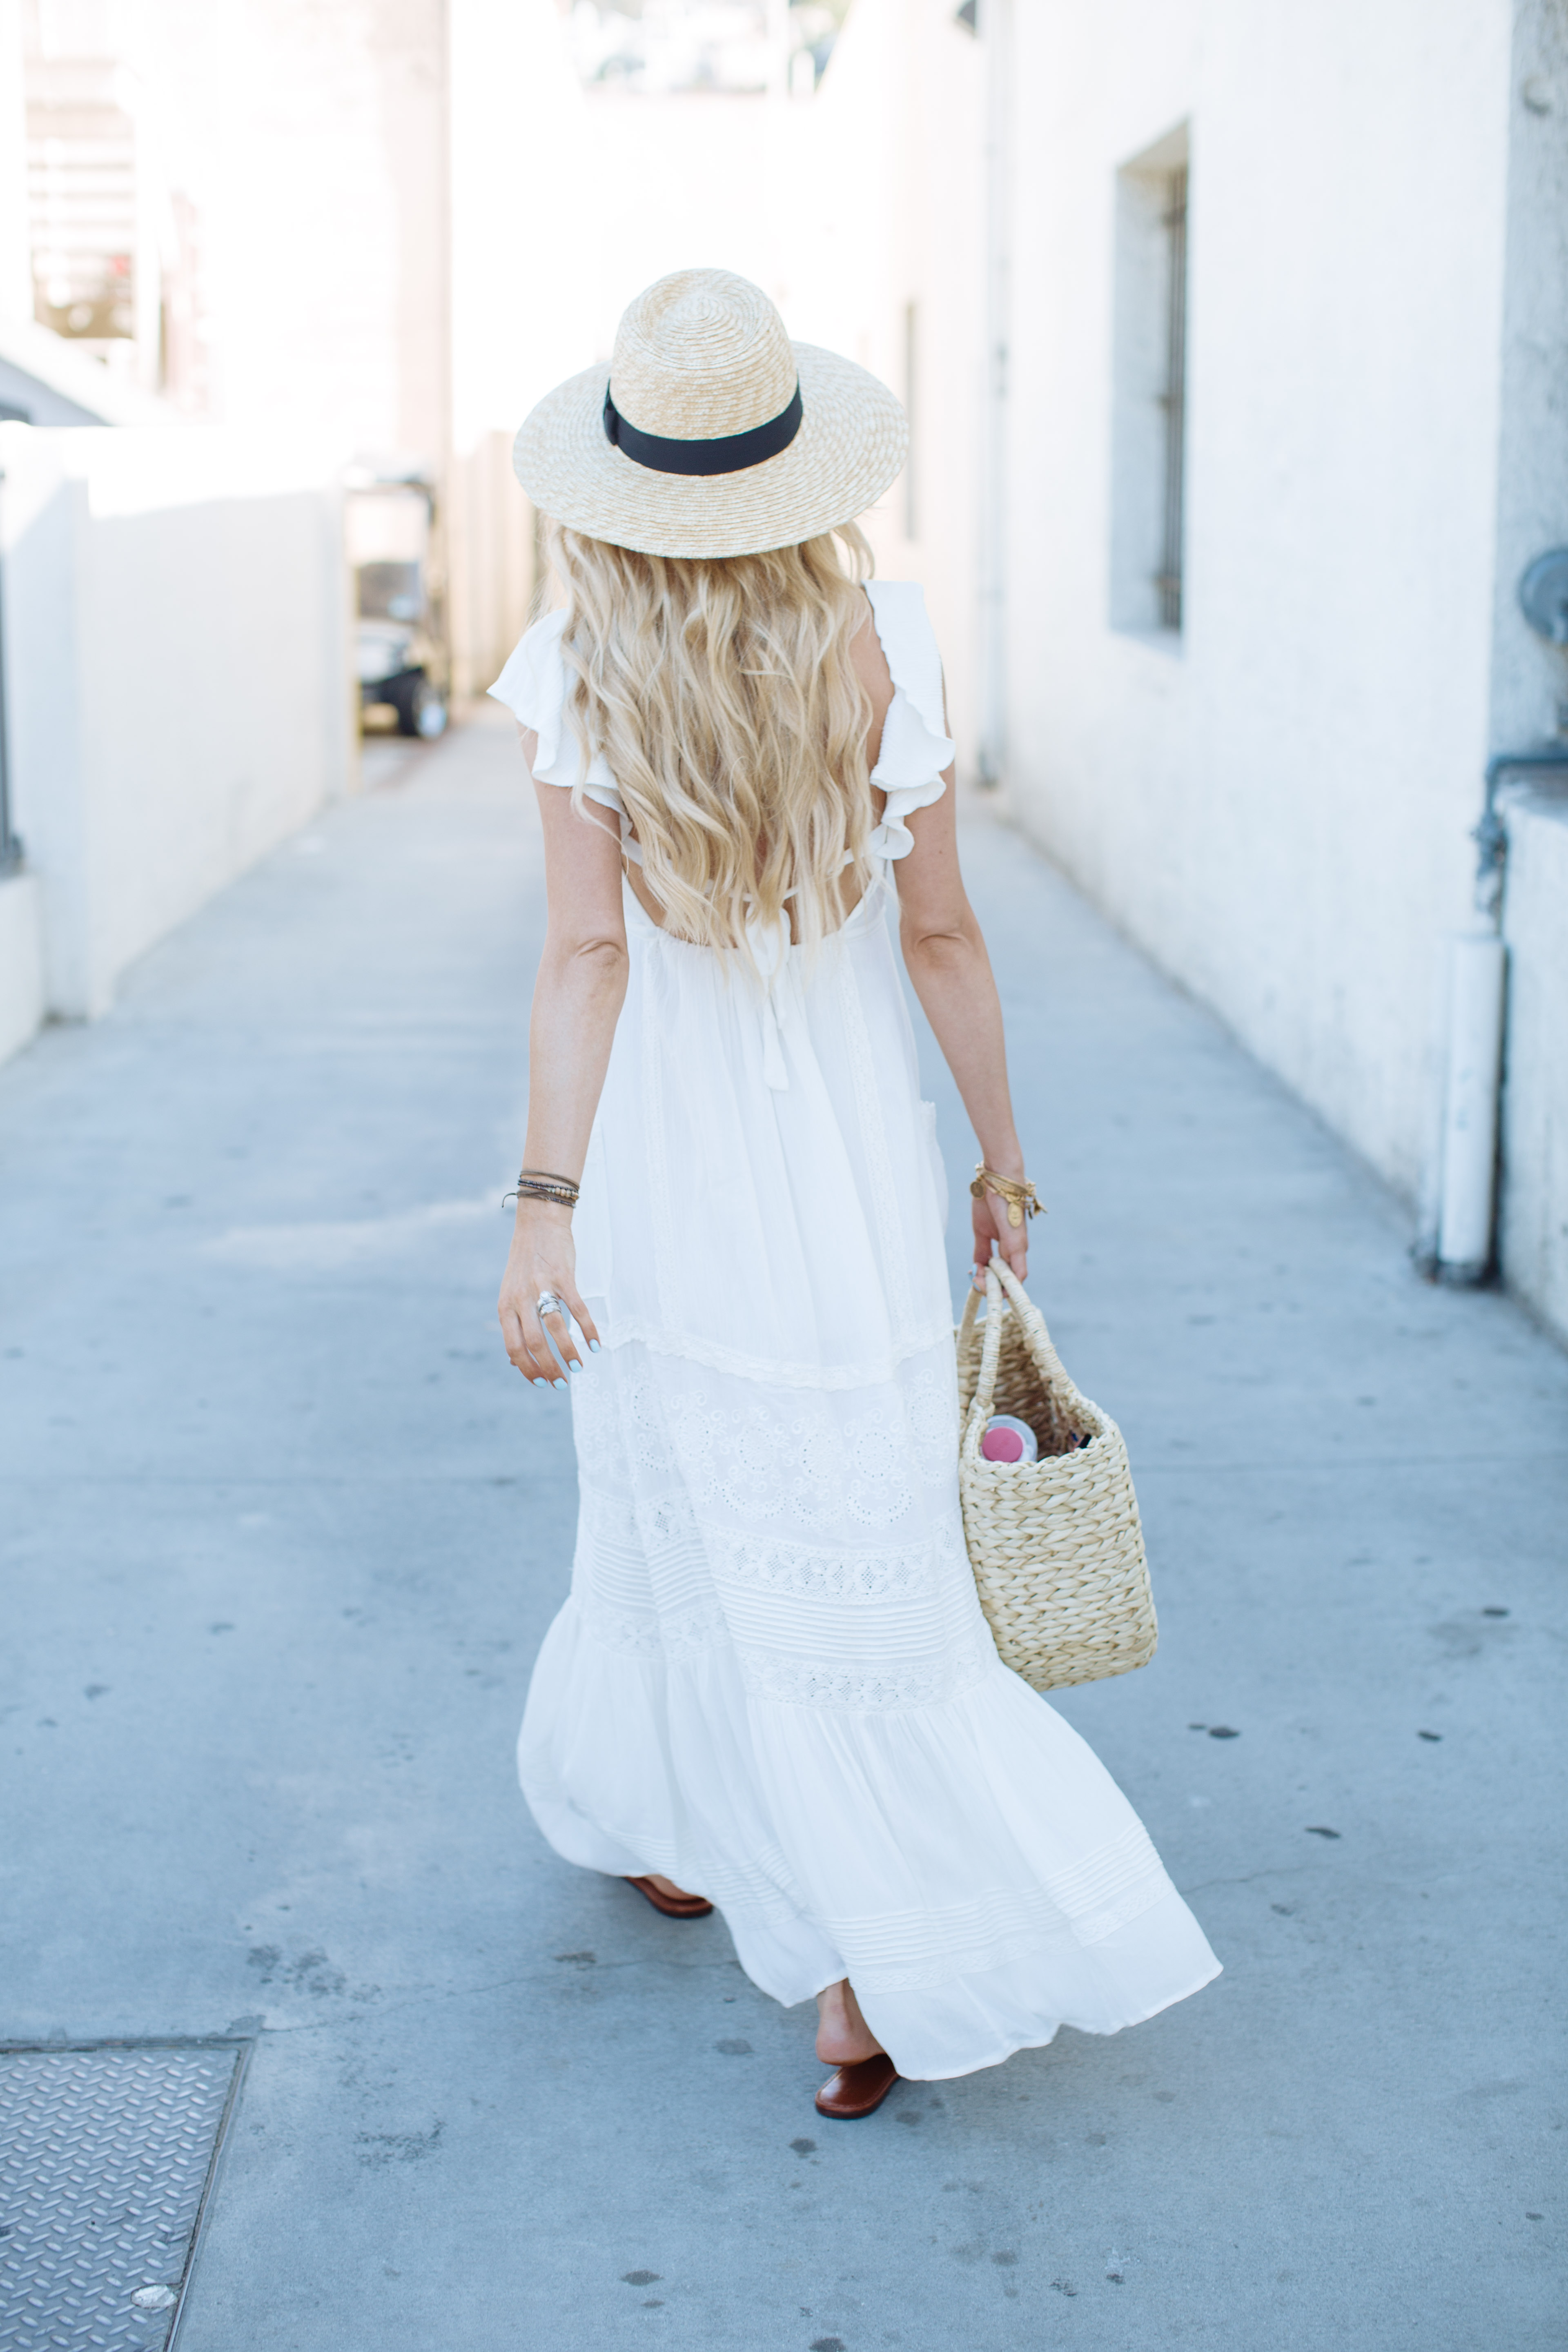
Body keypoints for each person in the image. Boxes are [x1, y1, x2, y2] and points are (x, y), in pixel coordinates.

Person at [491, 270, 1219, 2120]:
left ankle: (705, 1839)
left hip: (665, 1170)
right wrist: (1003, 1159)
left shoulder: (576, 663)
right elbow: (946, 931)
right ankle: (844, 1966)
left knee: (681, 1503)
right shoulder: (890, 639)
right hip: (839, 1169)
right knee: (859, 1543)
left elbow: (585, 961)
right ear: (804, 467)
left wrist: (545, 1207)